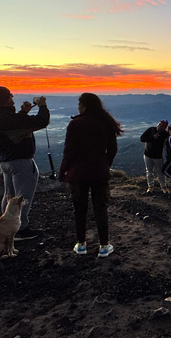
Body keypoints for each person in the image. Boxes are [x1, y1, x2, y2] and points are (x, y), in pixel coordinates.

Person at [59, 93, 123, 258]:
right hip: (99, 171)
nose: (78, 107)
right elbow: (113, 149)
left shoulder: (75, 124)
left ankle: (81, 244)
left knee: (80, 208)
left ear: (85, 105)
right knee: (100, 208)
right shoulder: (106, 123)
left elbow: (69, 151)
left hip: (78, 172)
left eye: (79, 103)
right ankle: (104, 246)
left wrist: (63, 170)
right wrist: (105, 164)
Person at [0, 86, 49, 241]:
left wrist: (23, 112)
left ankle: (7, 227)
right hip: (21, 162)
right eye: (10, 95)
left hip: (5, 161)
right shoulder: (10, 119)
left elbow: (13, 128)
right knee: (22, 198)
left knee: (9, 197)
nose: (12, 97)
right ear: (5, 99)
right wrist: (42, 106)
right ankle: (21, 229)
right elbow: (41, 121)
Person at [140, 119, 169, 193]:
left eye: (162, 126)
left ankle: (163, 187)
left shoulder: (165, 134)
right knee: (149, 171)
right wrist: (152, 138)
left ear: (164, 128)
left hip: (157, 156)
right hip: (147, 154)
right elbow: (142, 139)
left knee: (160, 172)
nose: (159, 126)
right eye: (159, 124)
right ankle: (150, 187)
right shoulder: (151, 130)